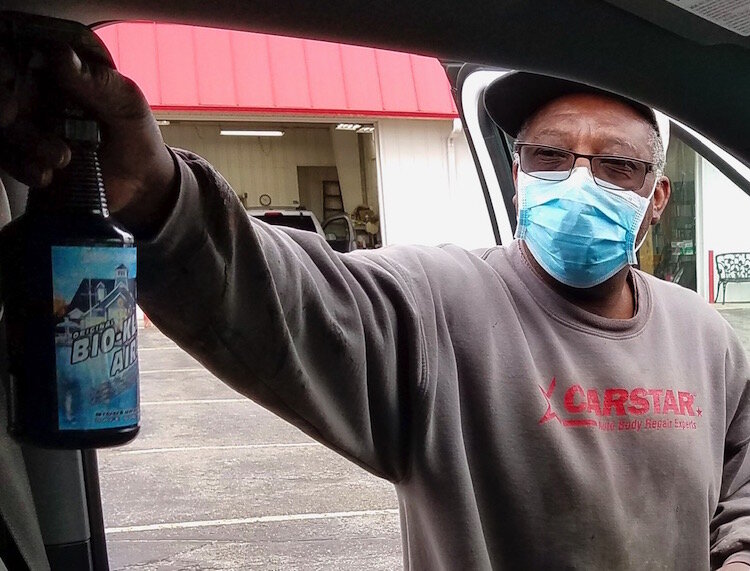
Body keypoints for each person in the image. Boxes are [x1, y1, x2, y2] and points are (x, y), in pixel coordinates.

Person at [2, 45, 750, 571]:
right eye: (548, 156)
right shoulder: (437, 306)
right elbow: (286, 295)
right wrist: (157, 192)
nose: (578, 181)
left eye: (615, 165)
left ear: (656, 199)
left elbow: (742, 487)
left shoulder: (707, 336)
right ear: (518, 178)